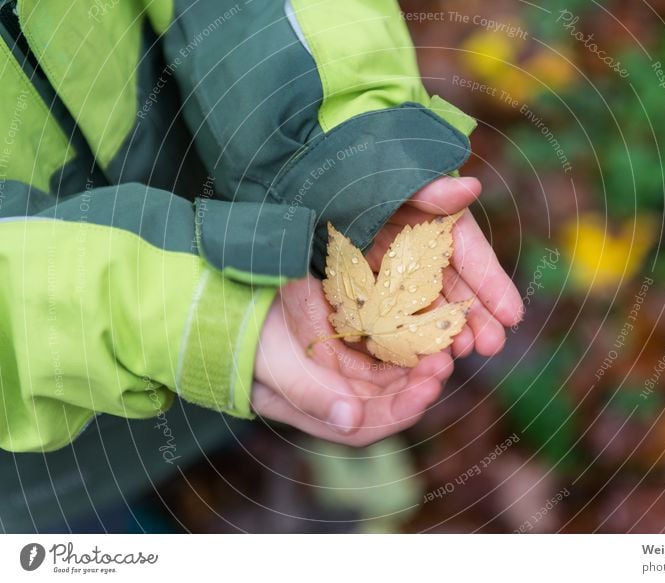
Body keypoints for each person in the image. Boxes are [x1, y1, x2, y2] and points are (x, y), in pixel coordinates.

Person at [0, 0, 522, 529]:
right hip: (34, 426)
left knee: (247, 394)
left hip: (246, 250)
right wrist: (191, 315)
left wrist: (341, 152)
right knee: (82, 523)